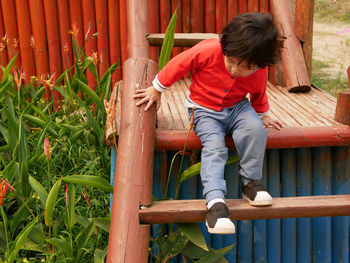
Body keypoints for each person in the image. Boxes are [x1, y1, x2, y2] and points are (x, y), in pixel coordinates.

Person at [134, 12, 283, 234]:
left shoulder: (259, 69)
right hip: (204, 109)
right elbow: (179, 64)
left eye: (244, 67)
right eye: (230, 61)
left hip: (237, 107)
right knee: (214, 146)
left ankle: (251, 183)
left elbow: (259, 94)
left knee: (255, 130)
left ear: (260, 63)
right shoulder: (209, 49)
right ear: (225, 47)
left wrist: (263, 114)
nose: (234, 70)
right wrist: (157, 89)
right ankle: (215, 203)